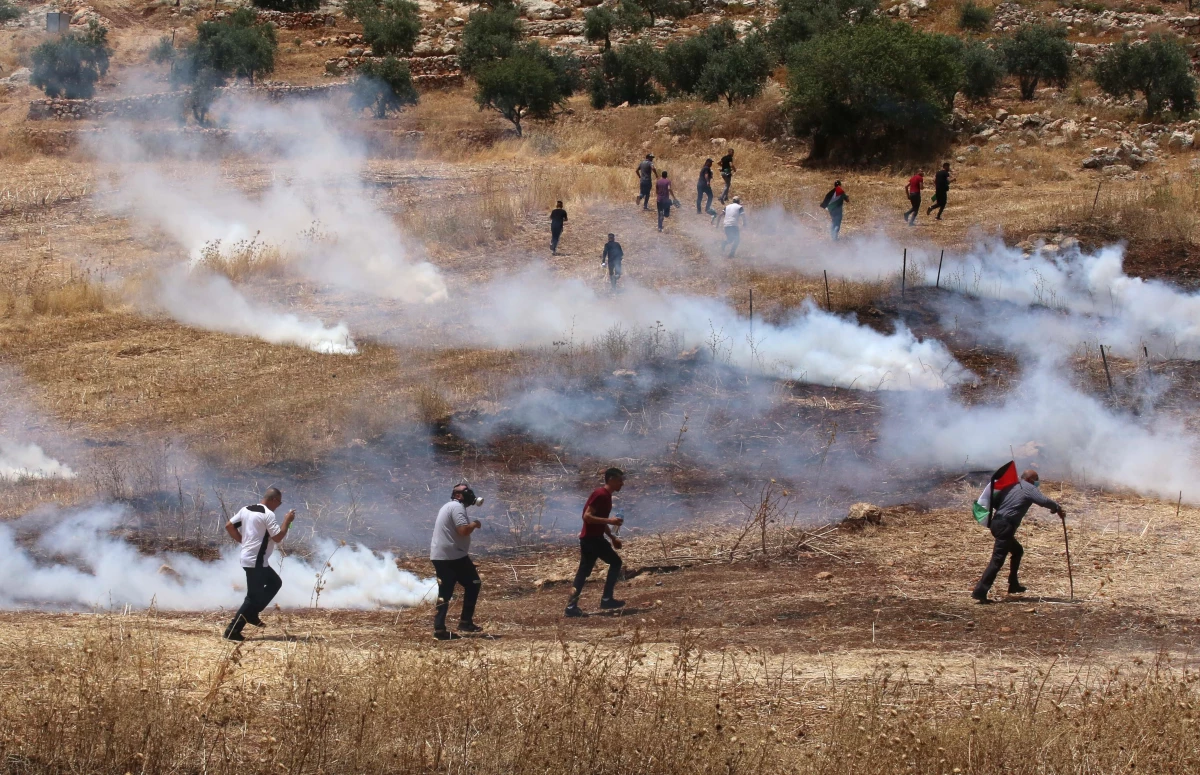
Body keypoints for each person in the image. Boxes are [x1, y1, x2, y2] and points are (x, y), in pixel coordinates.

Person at [972, 470, 1066, 604]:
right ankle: (980, 592)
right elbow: (1043, 500)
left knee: (1017, 551)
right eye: (1036, 479)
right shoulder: (1027, 487)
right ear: (1029, 479)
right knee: (997, 560)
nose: (1037, 482)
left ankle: (1013, 584)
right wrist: (1057, 508)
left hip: (996, 523)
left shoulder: (1013, 486)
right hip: (1005, 526)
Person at [223, 487, 295, 642]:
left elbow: (229, 526)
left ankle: (253, 614)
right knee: (252, 597)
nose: (278, 506)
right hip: (256, 560)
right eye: (279, 503)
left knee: (275, 582)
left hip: (252, 559)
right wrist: (287, 522)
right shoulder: (268, 515)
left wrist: (243, 541)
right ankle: (232, 631)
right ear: (274, 500)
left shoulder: (246, 509)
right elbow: (277, 537)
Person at [565, 468, 626, 617]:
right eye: (619, 480)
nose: (622, 484)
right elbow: (587, 517)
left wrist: (612, 538)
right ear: (611, 479)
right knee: (615, 563)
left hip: (592, 539)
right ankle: (606, 599)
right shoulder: (600, 494)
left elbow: (599, 520)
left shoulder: (606, 496)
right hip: (592, 540)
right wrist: (610, 520)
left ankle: (571, 607)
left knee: (584, 571)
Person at [430, 482, 486, 639]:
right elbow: (463, 530)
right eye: (466, 491)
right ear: (457, 495)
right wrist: (475, 524)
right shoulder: (456, 507)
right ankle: (465, 622)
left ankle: (440, 629)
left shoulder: (450, 507)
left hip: (444, 556)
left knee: (445, 592)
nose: (470, 494)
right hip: (453, 557)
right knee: (473, 583)